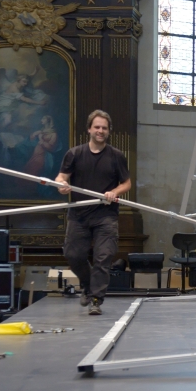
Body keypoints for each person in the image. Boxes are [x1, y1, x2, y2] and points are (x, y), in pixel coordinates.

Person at [56, 110, 131, 316]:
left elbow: (126, 183)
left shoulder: (116, 156)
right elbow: (61, 177)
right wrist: (61, 185)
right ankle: (88, 286)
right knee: (73, 255)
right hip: (78, 215)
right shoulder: (74, 154)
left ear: (109, 131)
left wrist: (114, 192)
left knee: (103, 257)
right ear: (89, 129)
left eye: (104, 128)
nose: (100, 131)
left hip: (105, 215)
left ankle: (96, 299)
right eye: (97, 127)